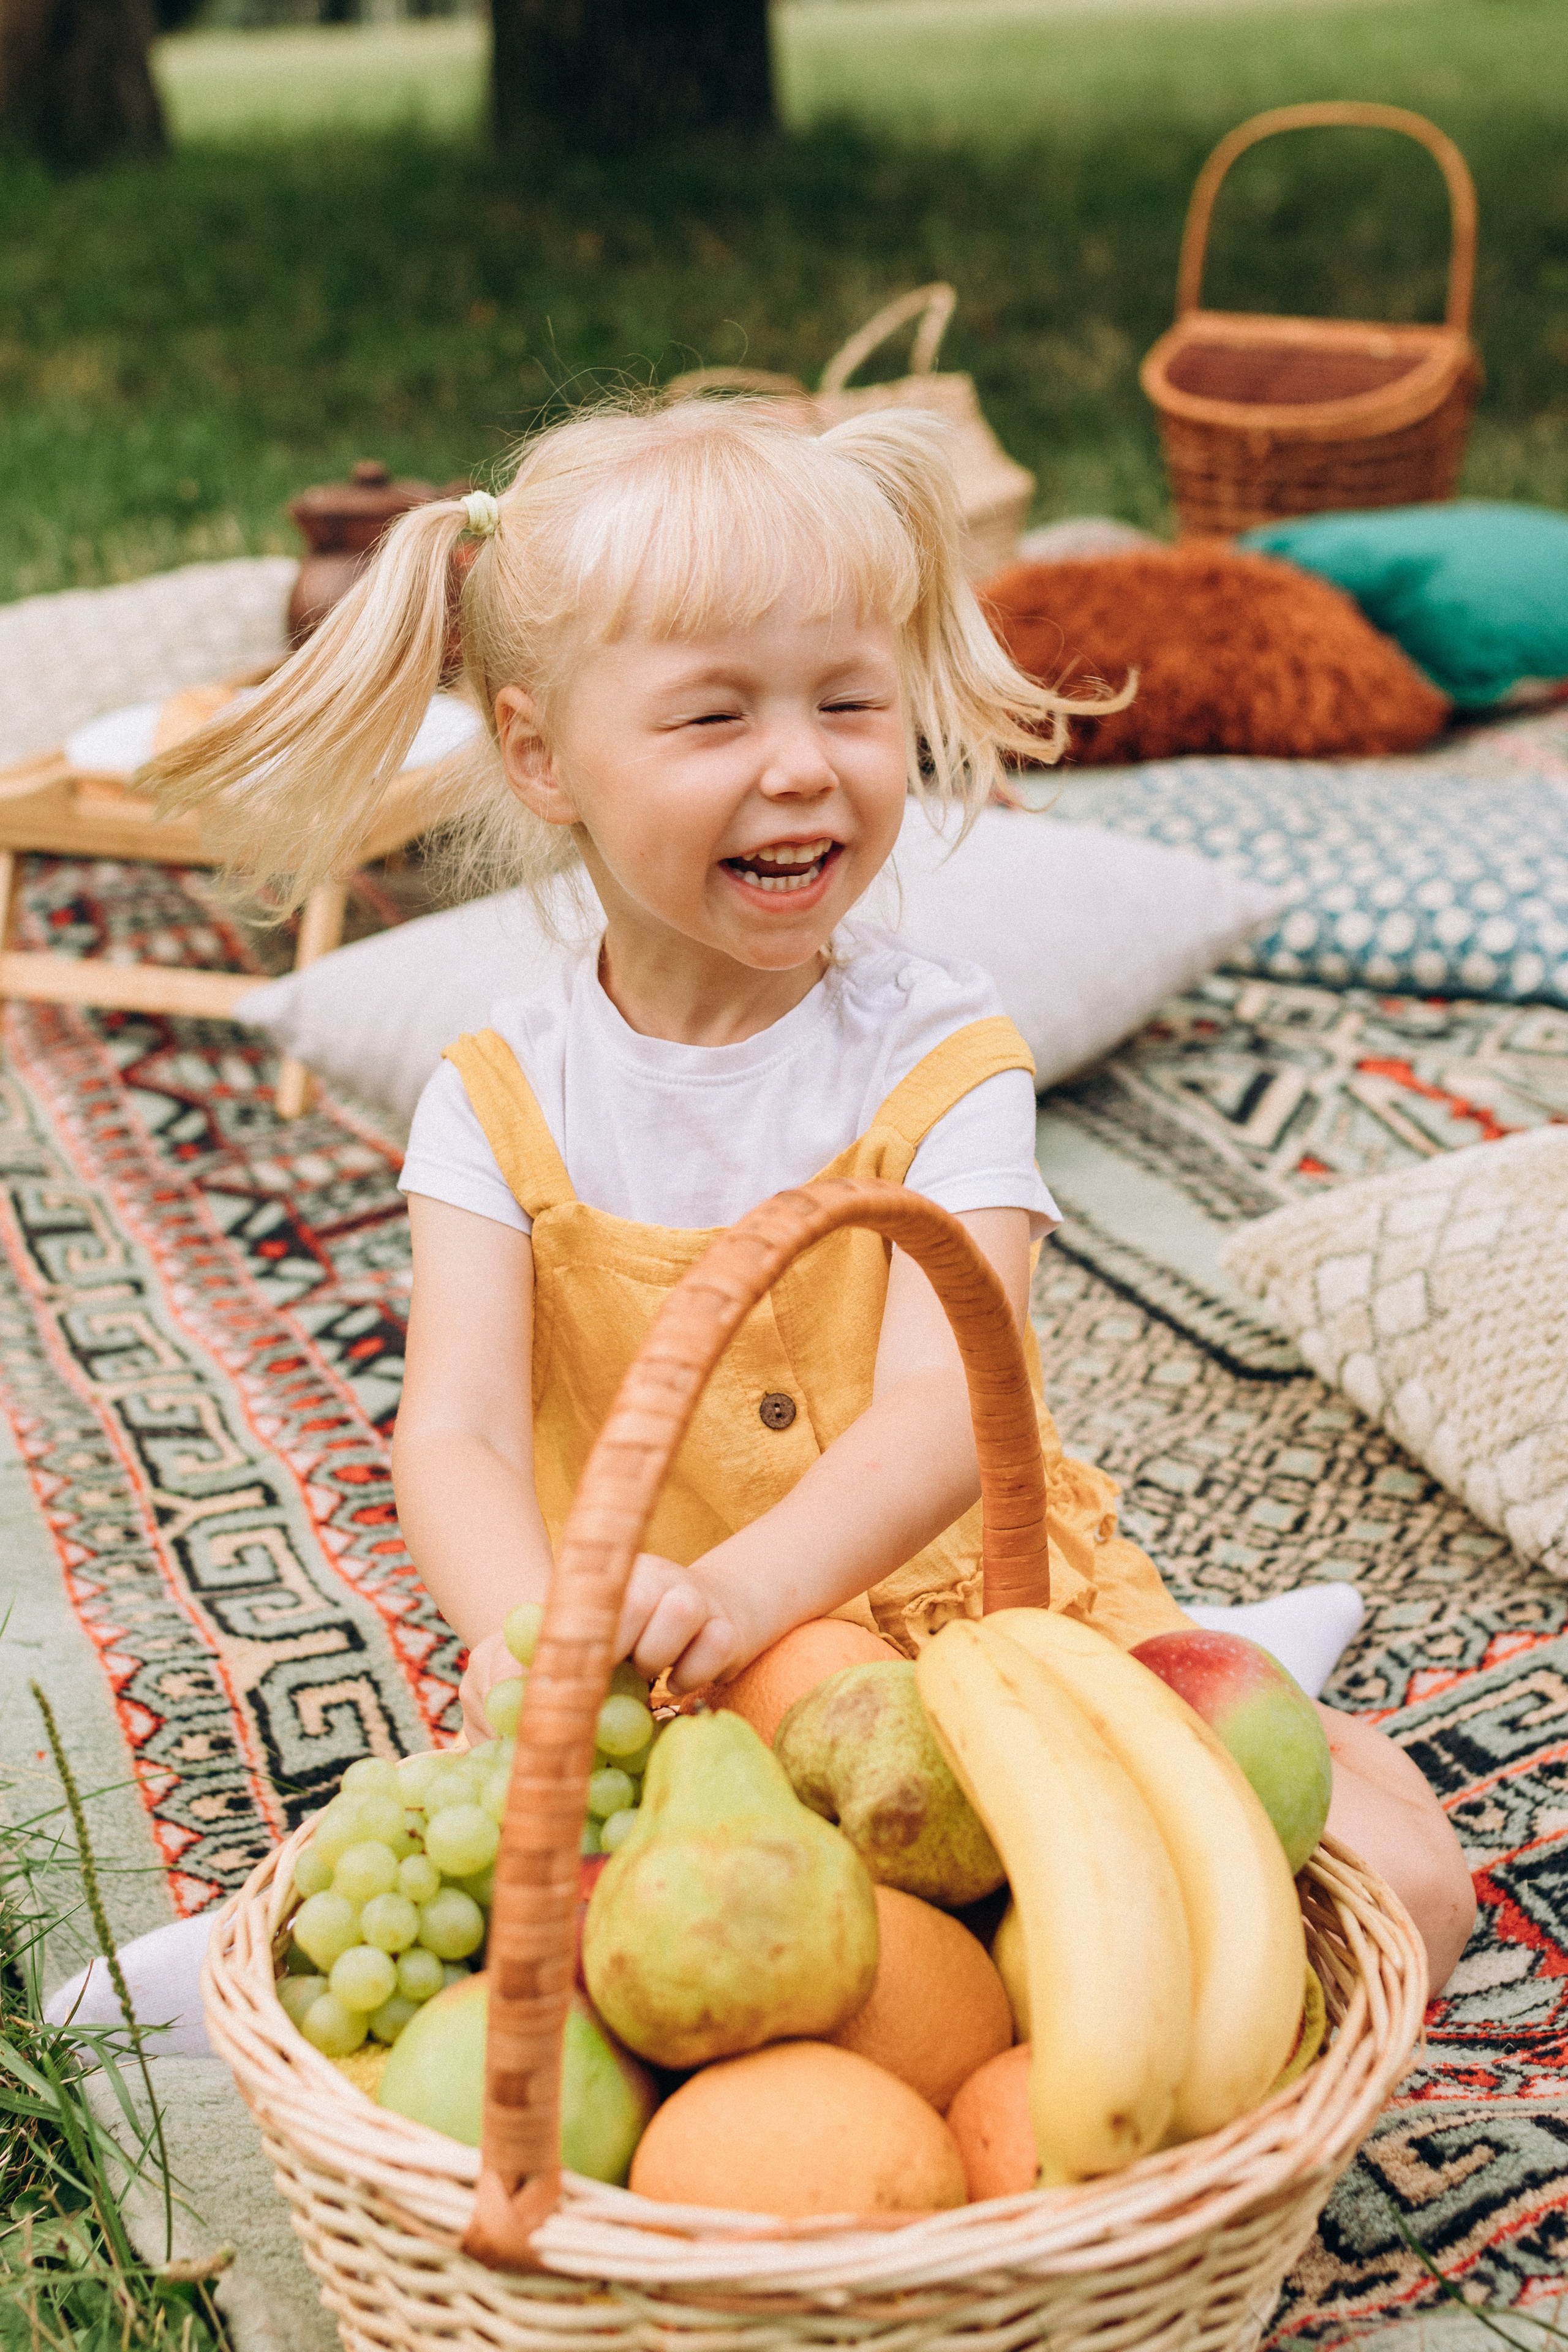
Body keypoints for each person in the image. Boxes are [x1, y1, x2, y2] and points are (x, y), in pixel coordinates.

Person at [127, 399, 1472, 2019]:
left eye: (849, 700)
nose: (801, 765)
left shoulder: (946, 1056)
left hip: (989, 1637)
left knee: (1398, 1902)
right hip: (696, 1694)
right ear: (541, 754)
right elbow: (458, 1437)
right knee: (704, 2003)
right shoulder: (493, 1100)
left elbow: (940, 1408)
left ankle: (1288, 1705)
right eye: (712, 719)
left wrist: (762, 1585)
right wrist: (539, 1643)